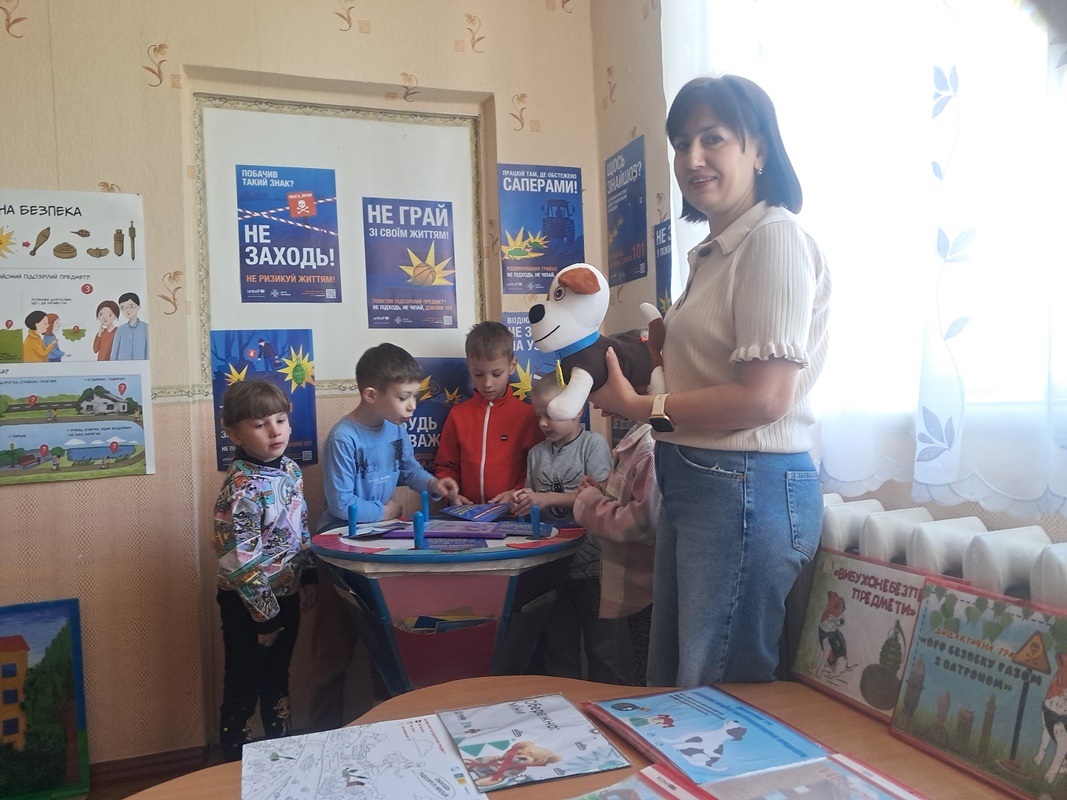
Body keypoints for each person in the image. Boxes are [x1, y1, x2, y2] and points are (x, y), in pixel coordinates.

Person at [589, 75, 831, 687]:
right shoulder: (716, 251)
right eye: (681, 143)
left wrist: (641, 408)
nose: (691, 158)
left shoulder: (772, 238)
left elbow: (765, 398)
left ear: (759, 149)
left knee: (716, 694)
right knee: (682, 683)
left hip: (744, 483)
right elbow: (713, 374)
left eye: (713, 138)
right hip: (704, 479)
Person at [309, 343, 459, 730]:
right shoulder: (344, 437)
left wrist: (434, 484)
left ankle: (390, 728)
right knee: (333, 650)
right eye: (404, 397)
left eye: (414, 396)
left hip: (383, 549)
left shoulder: (395, 428)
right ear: (371, 395)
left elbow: (408, 470)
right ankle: (321, 734)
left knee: (388, 643)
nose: (412, 407)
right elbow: (341, 504)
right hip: (341, 553)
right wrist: (387, 512)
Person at [213, 380, 318, 761]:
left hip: (286, 595)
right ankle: (232, 768)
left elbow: (299, 525)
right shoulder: (241, 489)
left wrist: (308, 573)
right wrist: (266, 619)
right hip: (248, 608)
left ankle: (282, 761)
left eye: (280, 420)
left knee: (277, 681)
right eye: (260, 424)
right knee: (243, 688)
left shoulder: (290, 469)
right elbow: (240, 561)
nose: (275, 431)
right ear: (234, 434)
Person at [513, 375, 618, 682]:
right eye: (539, 416)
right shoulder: (536, 454)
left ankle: (613, 700)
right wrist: (523, 500)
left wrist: (545, 498)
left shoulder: (593, 445)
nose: (544, 423)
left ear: (577, 409)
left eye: (551, 414)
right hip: (553, 568)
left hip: (593, 566)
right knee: (559, 648)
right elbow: (534, 501)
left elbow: (599, 498)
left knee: (604, 648)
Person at [572, 416, 659, 686]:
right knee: (633, 668)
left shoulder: (650, 447)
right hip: (634, 590)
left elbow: (645, 523)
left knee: (645, 677)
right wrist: (599, 493)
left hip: (647, 592)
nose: (596, 404)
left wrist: (590, 503)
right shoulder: (638, 436)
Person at [434, 321, 541, 505]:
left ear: (512, 365)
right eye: (478, 374)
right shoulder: (458, 415)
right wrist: (451, 493)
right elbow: (446, 466)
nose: (487, 383)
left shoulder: (528, 416)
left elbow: (538, 468)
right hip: (467, 514)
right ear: (469, 366)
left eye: (496, 374)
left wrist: (517, 492)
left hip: (515, 514)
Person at [110, 291, 149, 360]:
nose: (127, 310)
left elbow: (149, 350)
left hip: (141, 364)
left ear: (138, 307)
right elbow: (115, 352)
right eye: (123, 307)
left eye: (131, 306)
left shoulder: (146, 327)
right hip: (122, 365)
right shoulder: (120, 329)